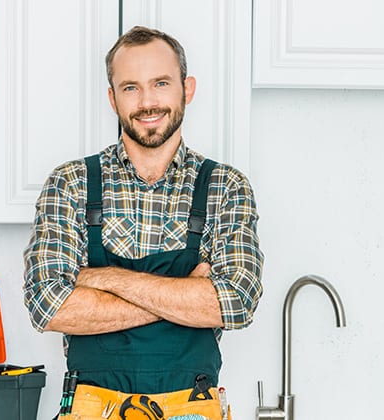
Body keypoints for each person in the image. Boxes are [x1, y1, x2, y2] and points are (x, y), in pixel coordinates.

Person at [23, 25, 263, 419]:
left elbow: (235, 303)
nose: (147, 101)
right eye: (131, 87)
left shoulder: (225, 187)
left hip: (191, 407)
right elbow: (48, 305)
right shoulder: (71, 183)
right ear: (112, 98)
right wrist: (187, 295)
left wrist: (102, 278)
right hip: (90, 408)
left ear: (187, 89)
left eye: (161, 83)